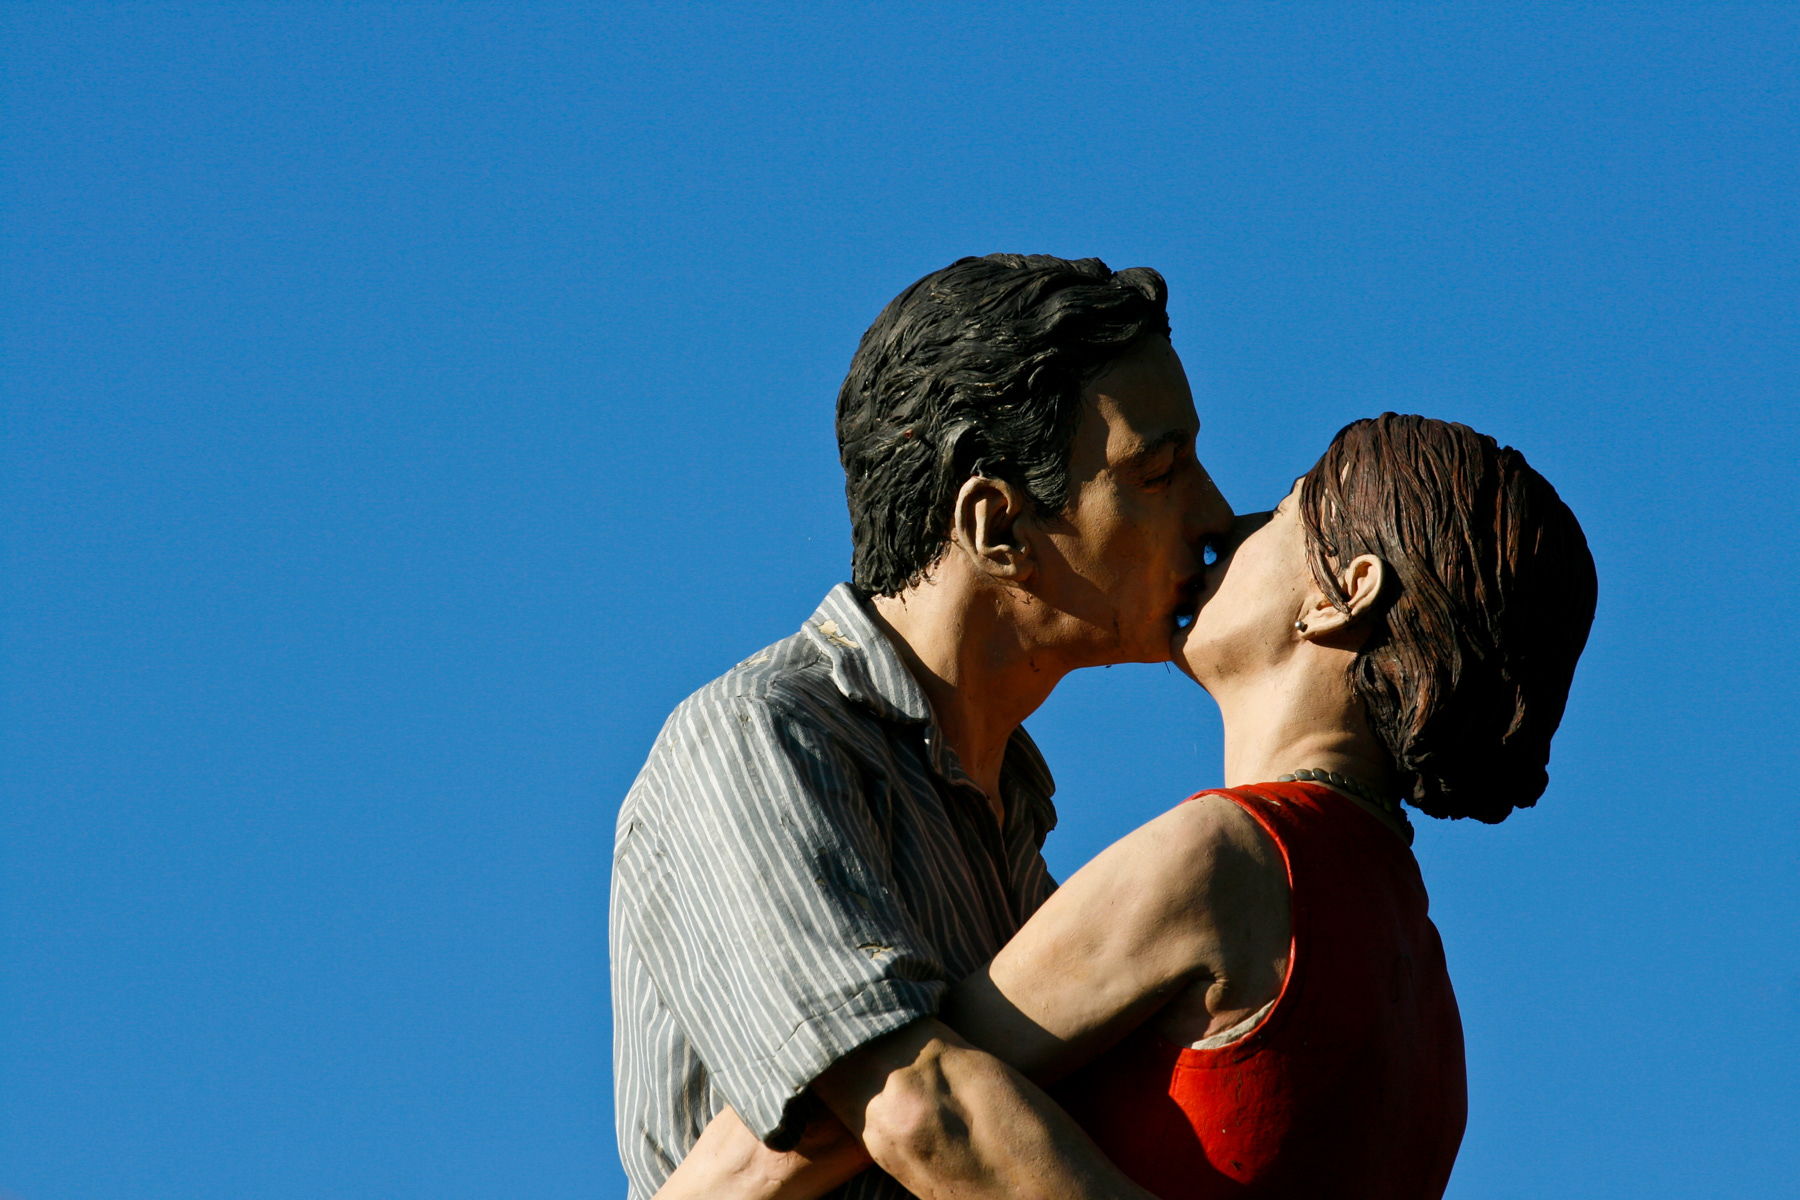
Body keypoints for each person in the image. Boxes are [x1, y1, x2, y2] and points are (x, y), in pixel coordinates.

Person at [658, 413, 1597, 1199]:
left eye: (1284, 512)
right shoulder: (1428, 996)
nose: (1226, 528)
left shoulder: (1224, 858)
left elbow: (896, 1109)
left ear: (1339, 598)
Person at [612, 253, 1235, 1200]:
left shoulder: (1009, 820)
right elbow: (923, 1114)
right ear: (996, 527)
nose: (1215, 516)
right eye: (1159, 470)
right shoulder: (759, 736)